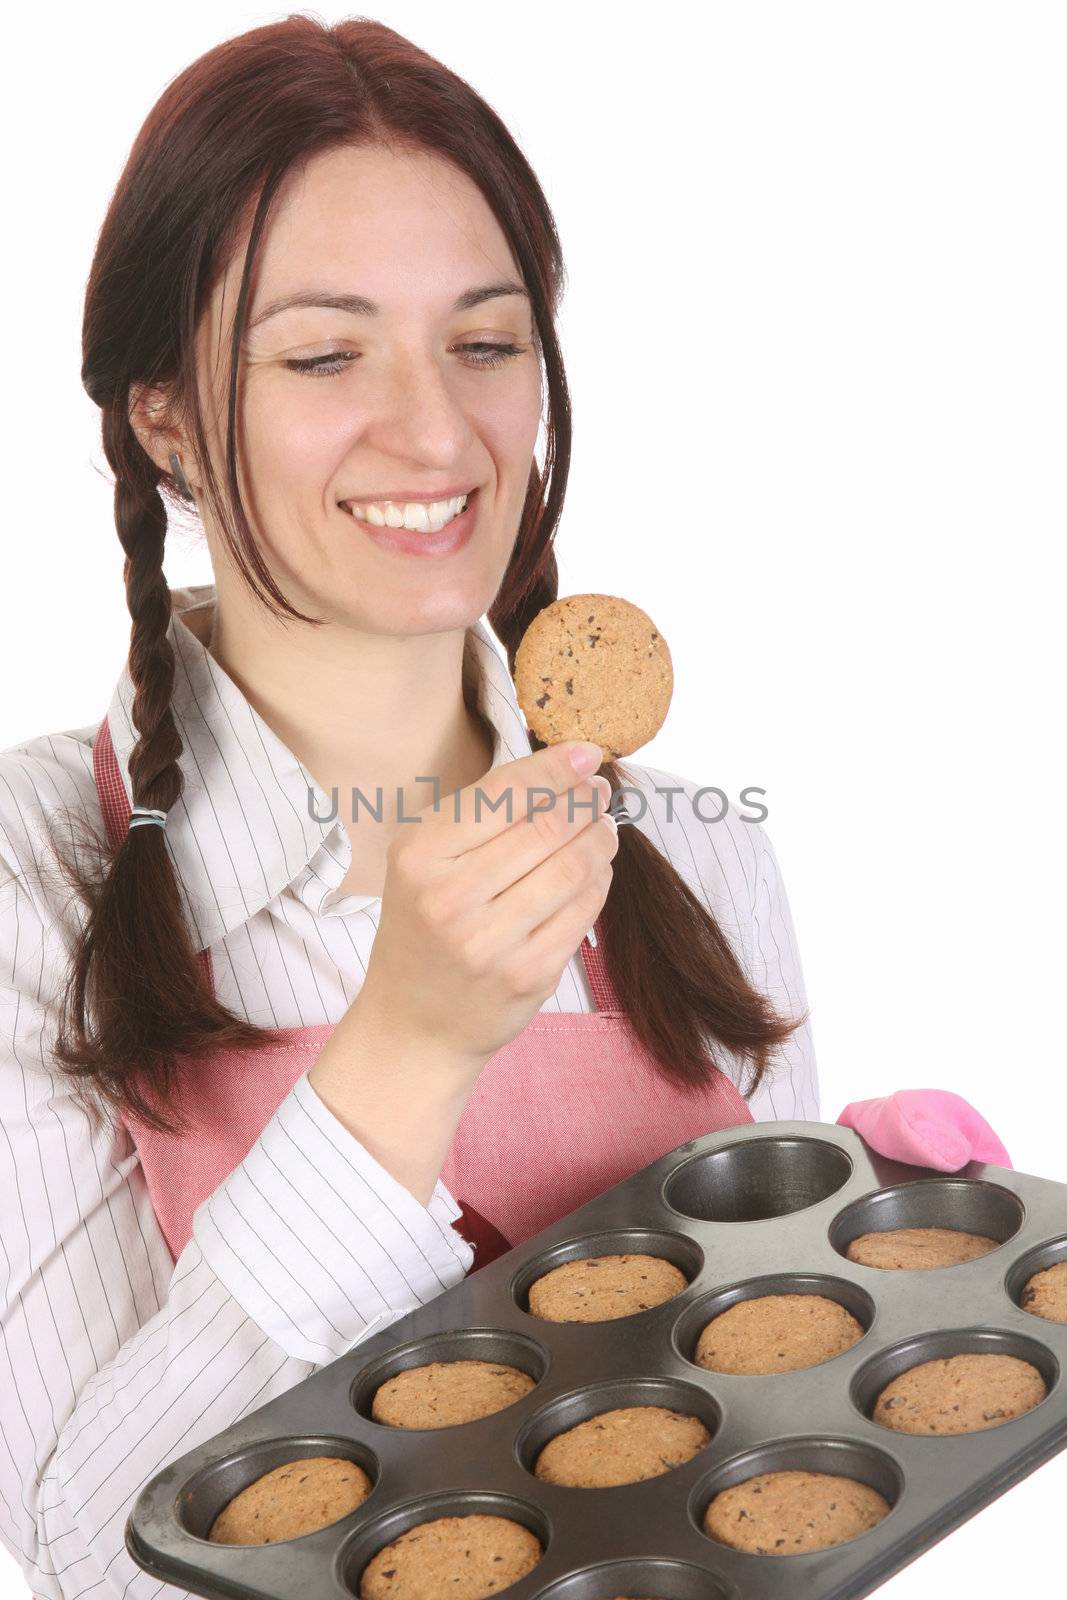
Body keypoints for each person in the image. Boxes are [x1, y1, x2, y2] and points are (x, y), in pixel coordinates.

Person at [0, 17, 1010, 1600]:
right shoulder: (32, 874)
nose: (435, 433)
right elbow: (85, 1562)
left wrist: (872, 1270)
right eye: (326, 353)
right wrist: (405, 1044)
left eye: (486, 341)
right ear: (165, 416)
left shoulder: (693, 843)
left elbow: (764, 1477)